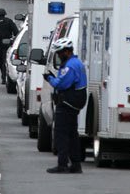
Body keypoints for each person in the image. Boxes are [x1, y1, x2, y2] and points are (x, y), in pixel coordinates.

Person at [44, 38, 87, 174]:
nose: (58, 55)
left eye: (59, 53)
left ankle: (62, 164)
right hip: (74, 103)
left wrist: (49, 78)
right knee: (72, 134)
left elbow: (60, 84)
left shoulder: (70, 66)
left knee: (61, 133)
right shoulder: (77, 63)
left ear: (67, 52)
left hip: (68, 102)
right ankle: (75, 164)